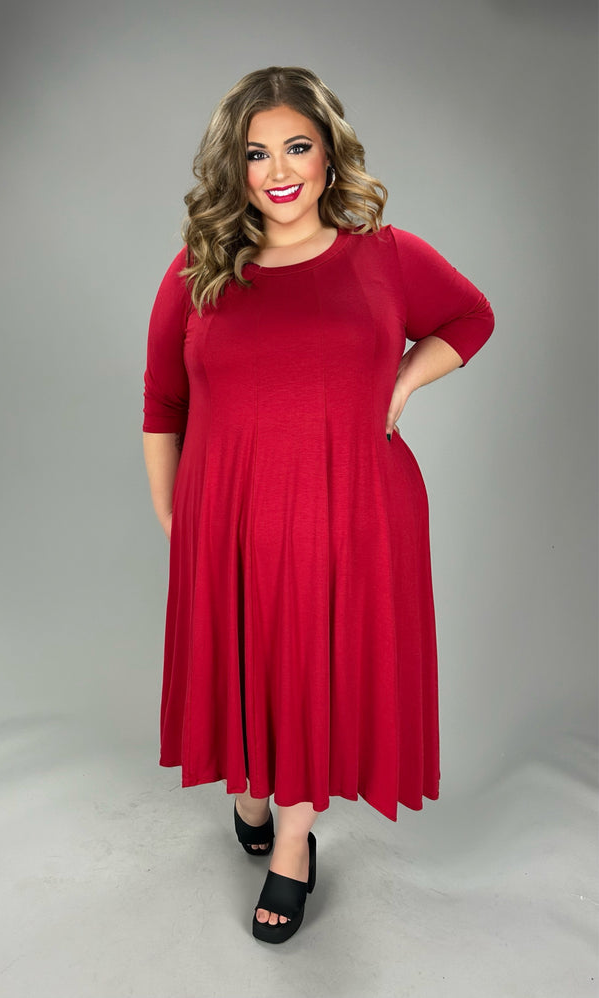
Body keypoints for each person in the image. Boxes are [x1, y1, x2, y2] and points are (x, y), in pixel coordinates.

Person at [142, 65, 495, 944]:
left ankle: (293, 847)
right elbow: (162, 405)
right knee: (249, 671)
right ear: (234, 168)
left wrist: (402, 382)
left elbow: (471, 318)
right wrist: (174, 519)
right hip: (229, 519)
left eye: (296, 146)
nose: (278, 170)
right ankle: (254, 794)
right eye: (255, 153)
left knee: (314, 674)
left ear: (330, 156)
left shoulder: (387, 255)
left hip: (353, 514)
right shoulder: (197, 270)